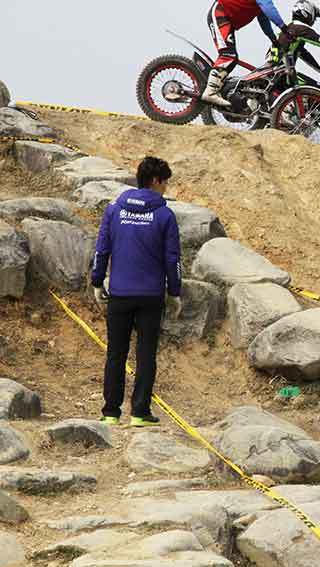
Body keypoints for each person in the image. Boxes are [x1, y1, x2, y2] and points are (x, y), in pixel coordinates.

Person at [91, 157, 182, 427]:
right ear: (156, 181)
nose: (166, 188)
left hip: (119, 293)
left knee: (115, 354)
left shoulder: (114, 210)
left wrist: (97, 281)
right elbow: (172, 259)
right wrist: (175, 292)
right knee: (145, 355)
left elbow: (101, 249)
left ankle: (110, 412)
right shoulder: (165, 215)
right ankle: (140, 412)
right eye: (165, 182)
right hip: (151, 297)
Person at [203, 0, 288, 107]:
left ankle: (218, 87)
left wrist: (273, 39)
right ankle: (210, 92)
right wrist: (284, 27)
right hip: (220, 14)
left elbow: (263, 18)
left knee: (231, 57)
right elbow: (268, 7)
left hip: (226, 18)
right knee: (228, 56)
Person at [269, 0, 320, 83]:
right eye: (315, 17)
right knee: (318, 88)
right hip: (282, 73)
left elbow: (304, 54)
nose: (314, 20)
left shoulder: (290, 28)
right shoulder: (301, 29)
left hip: (272, 71)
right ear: (307, 13)